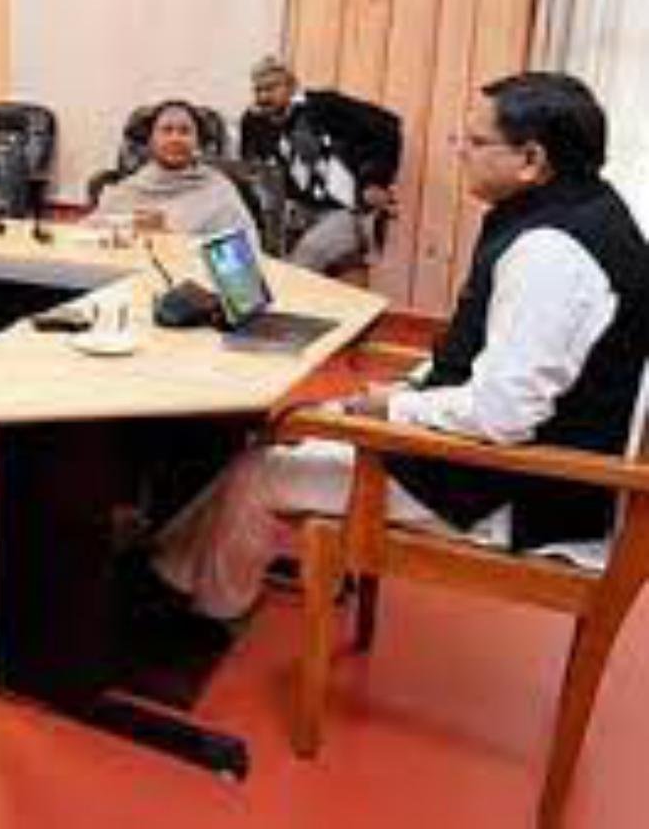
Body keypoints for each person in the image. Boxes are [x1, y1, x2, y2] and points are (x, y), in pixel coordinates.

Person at [142, 73, 649, 623]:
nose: (461, 152)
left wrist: (396, 408)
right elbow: (501, 364)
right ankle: (169, 572)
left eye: (476, 142)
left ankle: (207, 612)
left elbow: (504, 414)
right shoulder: (589, 212)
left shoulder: (549, 253)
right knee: (286, 433)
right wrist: (408, 392)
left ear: (531, 159)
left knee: (255, 470)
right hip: (524, 469)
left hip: (512, 495)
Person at [240, 56, 402, 273]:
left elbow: (386, 127)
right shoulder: (254, 123)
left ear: (291, 85)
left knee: (305, 259)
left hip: (346, 210)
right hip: (295, 212)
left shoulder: (325, 106)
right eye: (258, 90)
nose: (263, 97)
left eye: (271, 88)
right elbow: (252, 166)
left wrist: (374, 180)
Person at [91, 100, 261, 248]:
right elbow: (92, 236)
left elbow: (243, 252)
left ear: (198, 142)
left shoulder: (219, 191)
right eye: (166, 130)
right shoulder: (130, 189)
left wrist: (169, 238)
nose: (175, 139)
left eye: (185, 131)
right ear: (151, 140)